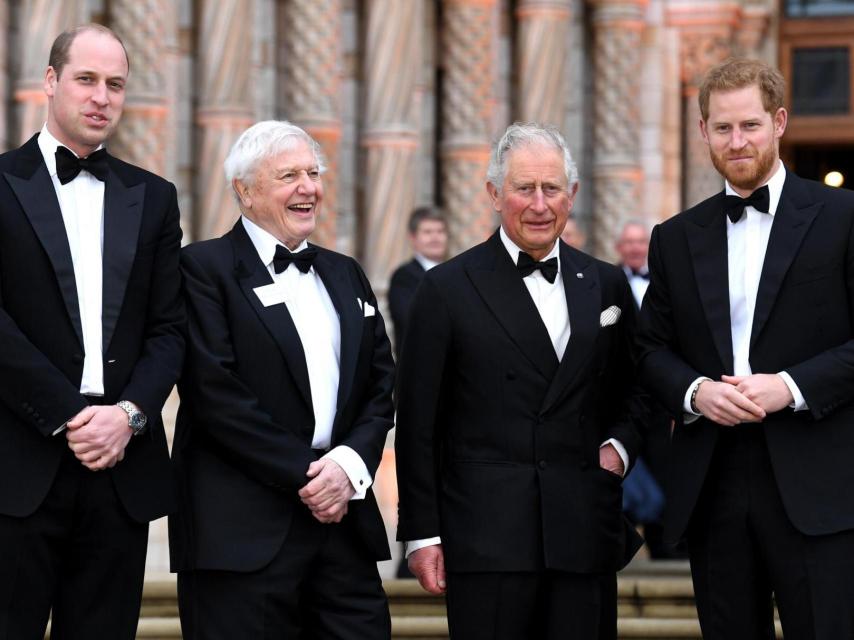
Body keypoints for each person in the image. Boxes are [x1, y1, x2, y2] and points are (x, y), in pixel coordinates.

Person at [395, 122, 642, 640]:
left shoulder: (606, 283)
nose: (538, 204)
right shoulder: (444, 289)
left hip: (582, 527)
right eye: (523, 189)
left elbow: (636, 388)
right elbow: (418, 424)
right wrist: (421, 534)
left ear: (571, 195)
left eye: (551, 189)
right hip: (487, 539)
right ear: (493, 194)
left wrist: (619, 448)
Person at [637, 58, 854, 639]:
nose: (738, 141)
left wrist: (791, 386)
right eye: (724, 127)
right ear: (703, 131)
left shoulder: (843, 216)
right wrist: (695, 392)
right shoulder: (675, 237)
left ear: (779, 122)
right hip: (714, 484)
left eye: (751, 125)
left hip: (822, 485)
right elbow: (649, 349)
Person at [169, 120, 395, 640]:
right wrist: (310, 475)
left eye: (313, 173)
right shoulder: (202, 269)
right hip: (241, 532)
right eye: (288, 175)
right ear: (244, 192)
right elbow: (214, 393)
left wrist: (346, 467)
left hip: (343, 527)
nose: (308, 187)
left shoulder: (345, 273)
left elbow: (380, 384)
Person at [0, 24, 185, 640]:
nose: (101, 96)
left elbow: (169, 329)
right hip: (17, 467)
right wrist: (71, 416)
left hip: (119, 473)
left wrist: (128, 415)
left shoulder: (154, 197)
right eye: (86, 80)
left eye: (115, 85)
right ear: (50, 82)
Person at [388, 206, 448, 358]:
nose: (435, 238)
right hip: (418, 365)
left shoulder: (454, 273)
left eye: (440, 231)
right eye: (427, 232)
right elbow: (411, 320)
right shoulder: (404, 277)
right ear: (413, 238)